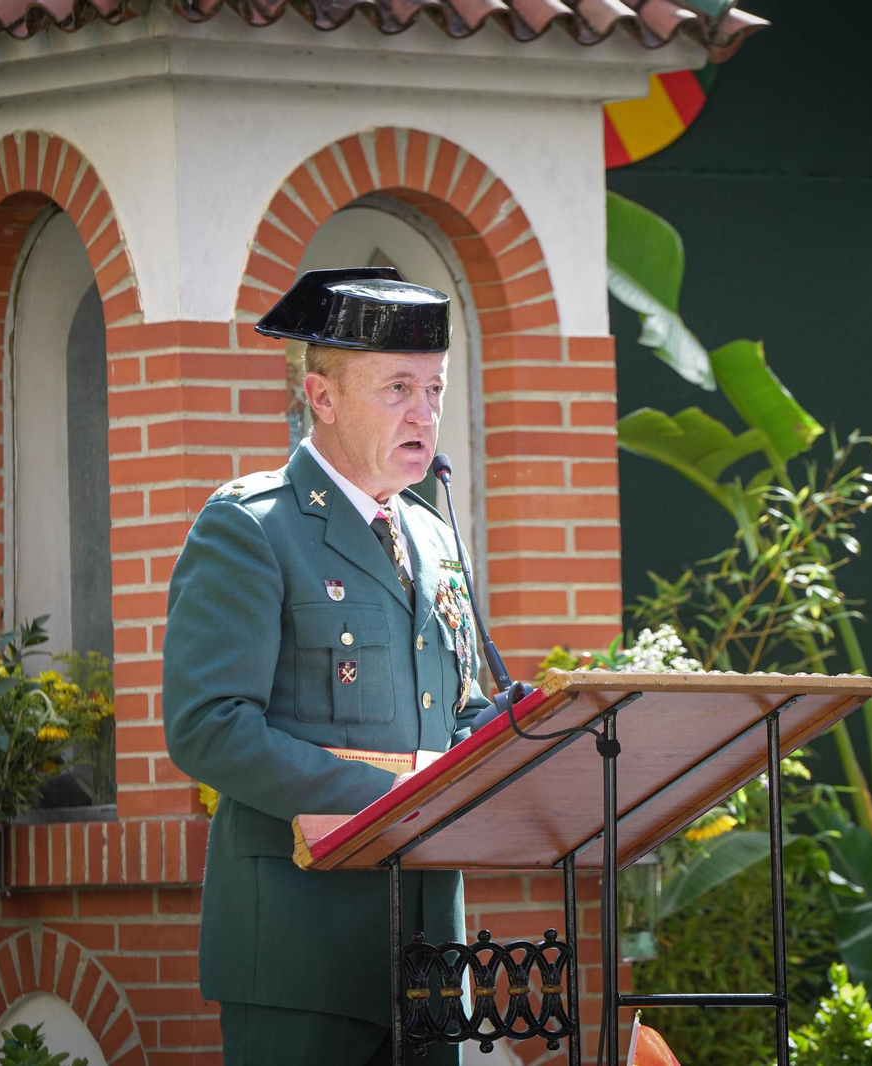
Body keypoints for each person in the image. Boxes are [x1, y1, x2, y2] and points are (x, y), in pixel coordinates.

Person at [163, 267, 523, 1065]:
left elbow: (451, 715)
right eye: (397, 387)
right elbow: (206, 727)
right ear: (320, 398)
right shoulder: (252, 528)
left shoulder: (431, 536)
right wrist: (390, 803)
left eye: (433, 390)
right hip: (300, 952)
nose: (423, 413)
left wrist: (534, 731)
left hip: (431, 956)